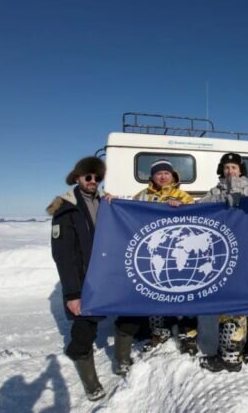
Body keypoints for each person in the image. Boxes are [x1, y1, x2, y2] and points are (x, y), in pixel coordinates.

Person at [47, 156, 142, 401]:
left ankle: (122, 359)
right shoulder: (65, 209)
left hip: (113, 276)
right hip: (84, 279)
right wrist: (72, 294)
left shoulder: (107, 203)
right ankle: (90, 381)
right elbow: (64, 256)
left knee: (131, 313)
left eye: (97, 177)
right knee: (84, 330)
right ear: (77, 178)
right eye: (88, 176)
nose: (93, 181)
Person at [197, 153, 248, 373]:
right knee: (227, 300)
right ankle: (228, 348)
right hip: (223, 255)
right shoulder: (214, 192)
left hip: (247, 255)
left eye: (234, 167)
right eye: (226, 168)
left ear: (241, 170)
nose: (230, 171)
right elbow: (196, 211)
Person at [132, 159, 198, 355]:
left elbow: (196, 218)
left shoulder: (182, 195)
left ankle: (188, 331)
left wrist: (183, 207)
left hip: (178, 252)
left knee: (185, 290)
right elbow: (127, 212)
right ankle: (159, 330)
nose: (162, 176)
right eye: (158, 173)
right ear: (152, 177)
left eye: (166, 173)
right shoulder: (142, 196)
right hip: (154, 253)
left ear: (172, 175)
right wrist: (111, 200)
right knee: (155, 291)